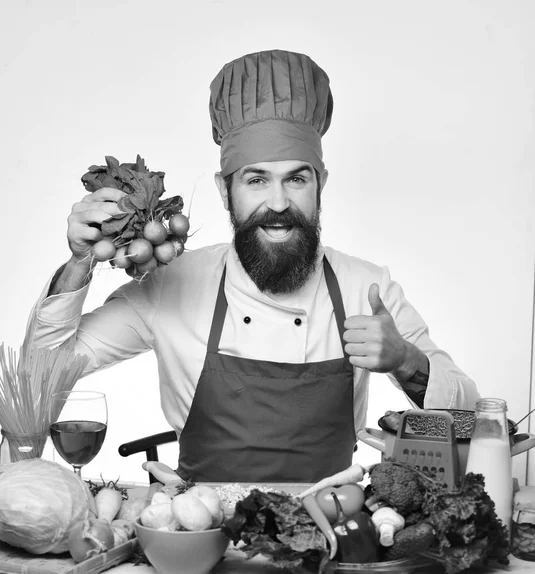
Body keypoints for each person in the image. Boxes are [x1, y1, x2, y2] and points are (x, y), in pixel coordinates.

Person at [25, 49, 479, 483]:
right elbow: (37, 375)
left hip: (331, 532)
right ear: (227, 192)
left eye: (296, 179)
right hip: (199, 534)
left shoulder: (367, 287)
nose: (278, 203)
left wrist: (406, 361)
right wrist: (79, 261)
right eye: (256, 180)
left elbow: (470, 417)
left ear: (320, 185)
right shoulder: (172, 285)